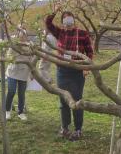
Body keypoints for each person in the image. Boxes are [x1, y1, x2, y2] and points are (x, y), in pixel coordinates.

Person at [45, 7, 93, 141]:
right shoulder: (59, 32)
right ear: (62, 21)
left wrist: (86, 67)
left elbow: (89, 52)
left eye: (69, 17)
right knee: (63, 100)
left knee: (77, 100)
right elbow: (48, 23)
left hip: (77, 71)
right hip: (62, 71)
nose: (68, 19)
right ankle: (65, 127)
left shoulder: (82, 33)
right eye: (65, 17)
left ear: (74, 19)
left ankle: (78, 130)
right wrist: (53, 12)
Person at [5, 27, 31, 121]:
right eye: (21, 35)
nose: (22, 37)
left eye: (24, 35)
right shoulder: (13, 44)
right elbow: (9, 56)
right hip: (13, 71)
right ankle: (7, 111)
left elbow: (32, 58)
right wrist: (15, 59)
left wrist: (31, 72)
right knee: (11, 91)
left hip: (24, 72)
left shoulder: (29, 45)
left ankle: (21, 112)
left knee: (21, 93)